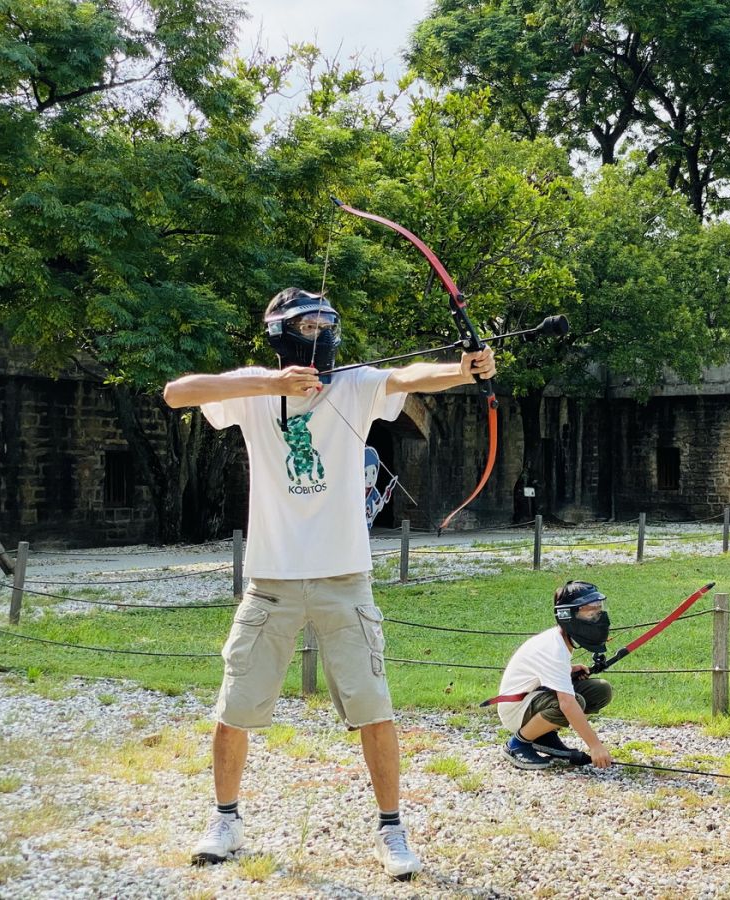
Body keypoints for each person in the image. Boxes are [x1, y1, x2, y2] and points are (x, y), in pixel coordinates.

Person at [163, 287, 497, 880]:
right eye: (309, 325)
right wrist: (271, 386)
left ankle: (392, 830)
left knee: (374, 707)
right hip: (271, 581)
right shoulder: (251, 388)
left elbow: (407, 378)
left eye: (328, 323)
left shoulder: (353, 384)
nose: (321, 334)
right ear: (282, 334)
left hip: (345, 577)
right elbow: (177, 393)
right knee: (235, 706)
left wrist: (465, 370)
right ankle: (224, 820)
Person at [493, 581, 616, 771]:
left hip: (531, 697)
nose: (598, 617)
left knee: (600, 690)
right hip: (515, 709)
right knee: (571, 703)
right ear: (568, 614)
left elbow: (542, 673)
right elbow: (567, 703)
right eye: (591, 612)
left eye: (599, 610)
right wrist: (595, 746)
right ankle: (517, 744)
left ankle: (543, 735)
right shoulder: (554, 647)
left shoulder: (561, 639)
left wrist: (569, 670)